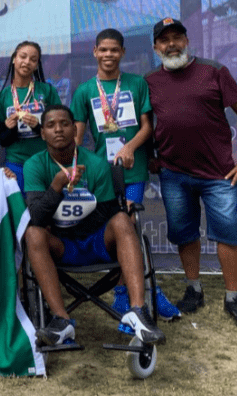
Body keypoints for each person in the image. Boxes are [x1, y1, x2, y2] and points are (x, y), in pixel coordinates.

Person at [145, 18, 237, 331]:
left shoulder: (214, 71)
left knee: (229, 235)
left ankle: (233, 297)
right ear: (156, 47)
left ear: (187, 40)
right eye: (164, 40)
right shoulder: (149, 81)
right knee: (185, 234)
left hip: (219, 174)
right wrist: (150, 158)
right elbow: (143, 125)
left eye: (177, 37)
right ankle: (194, 289)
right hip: (174, 175)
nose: (171, 44)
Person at [22, 105, 164, 346]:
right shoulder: (34, 165)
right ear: (42, 133)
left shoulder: (96, 164)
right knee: (33, 233)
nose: (58, 130)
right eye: (51, 125)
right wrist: (57, 187)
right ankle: (61, 320)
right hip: (61, 246)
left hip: (96, 242)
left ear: (75, 129)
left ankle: (138, 311)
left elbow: (107, 212)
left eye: (65, 124)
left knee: (122, 219)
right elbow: (36, 217)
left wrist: (63, 217)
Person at [69, 28, 181, 321]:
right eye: (103, 50)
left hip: (132, 169)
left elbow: (147, 126)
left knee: (129, 224)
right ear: (95, 52)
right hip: (101, 174)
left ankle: (133, 293)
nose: (108, 55)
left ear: (123, 53)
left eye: (114, 50)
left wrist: (130, 147)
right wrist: (78, 165)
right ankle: (129, 292)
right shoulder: (84, 91)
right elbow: (78, 137)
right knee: (114, 229)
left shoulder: (135, 84)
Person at [0, 41, 61, 192]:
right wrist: (8, 128)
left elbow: (59, 130)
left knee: (44, 208)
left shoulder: (47, 91)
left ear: (37, 65)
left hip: (44, 161)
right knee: (21, 211)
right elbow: (2, 140)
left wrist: (39, 126)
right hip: (15, 164)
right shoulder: (2, 96)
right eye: (23, 56)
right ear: (14, 59)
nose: (27, 62)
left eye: (33, 59)